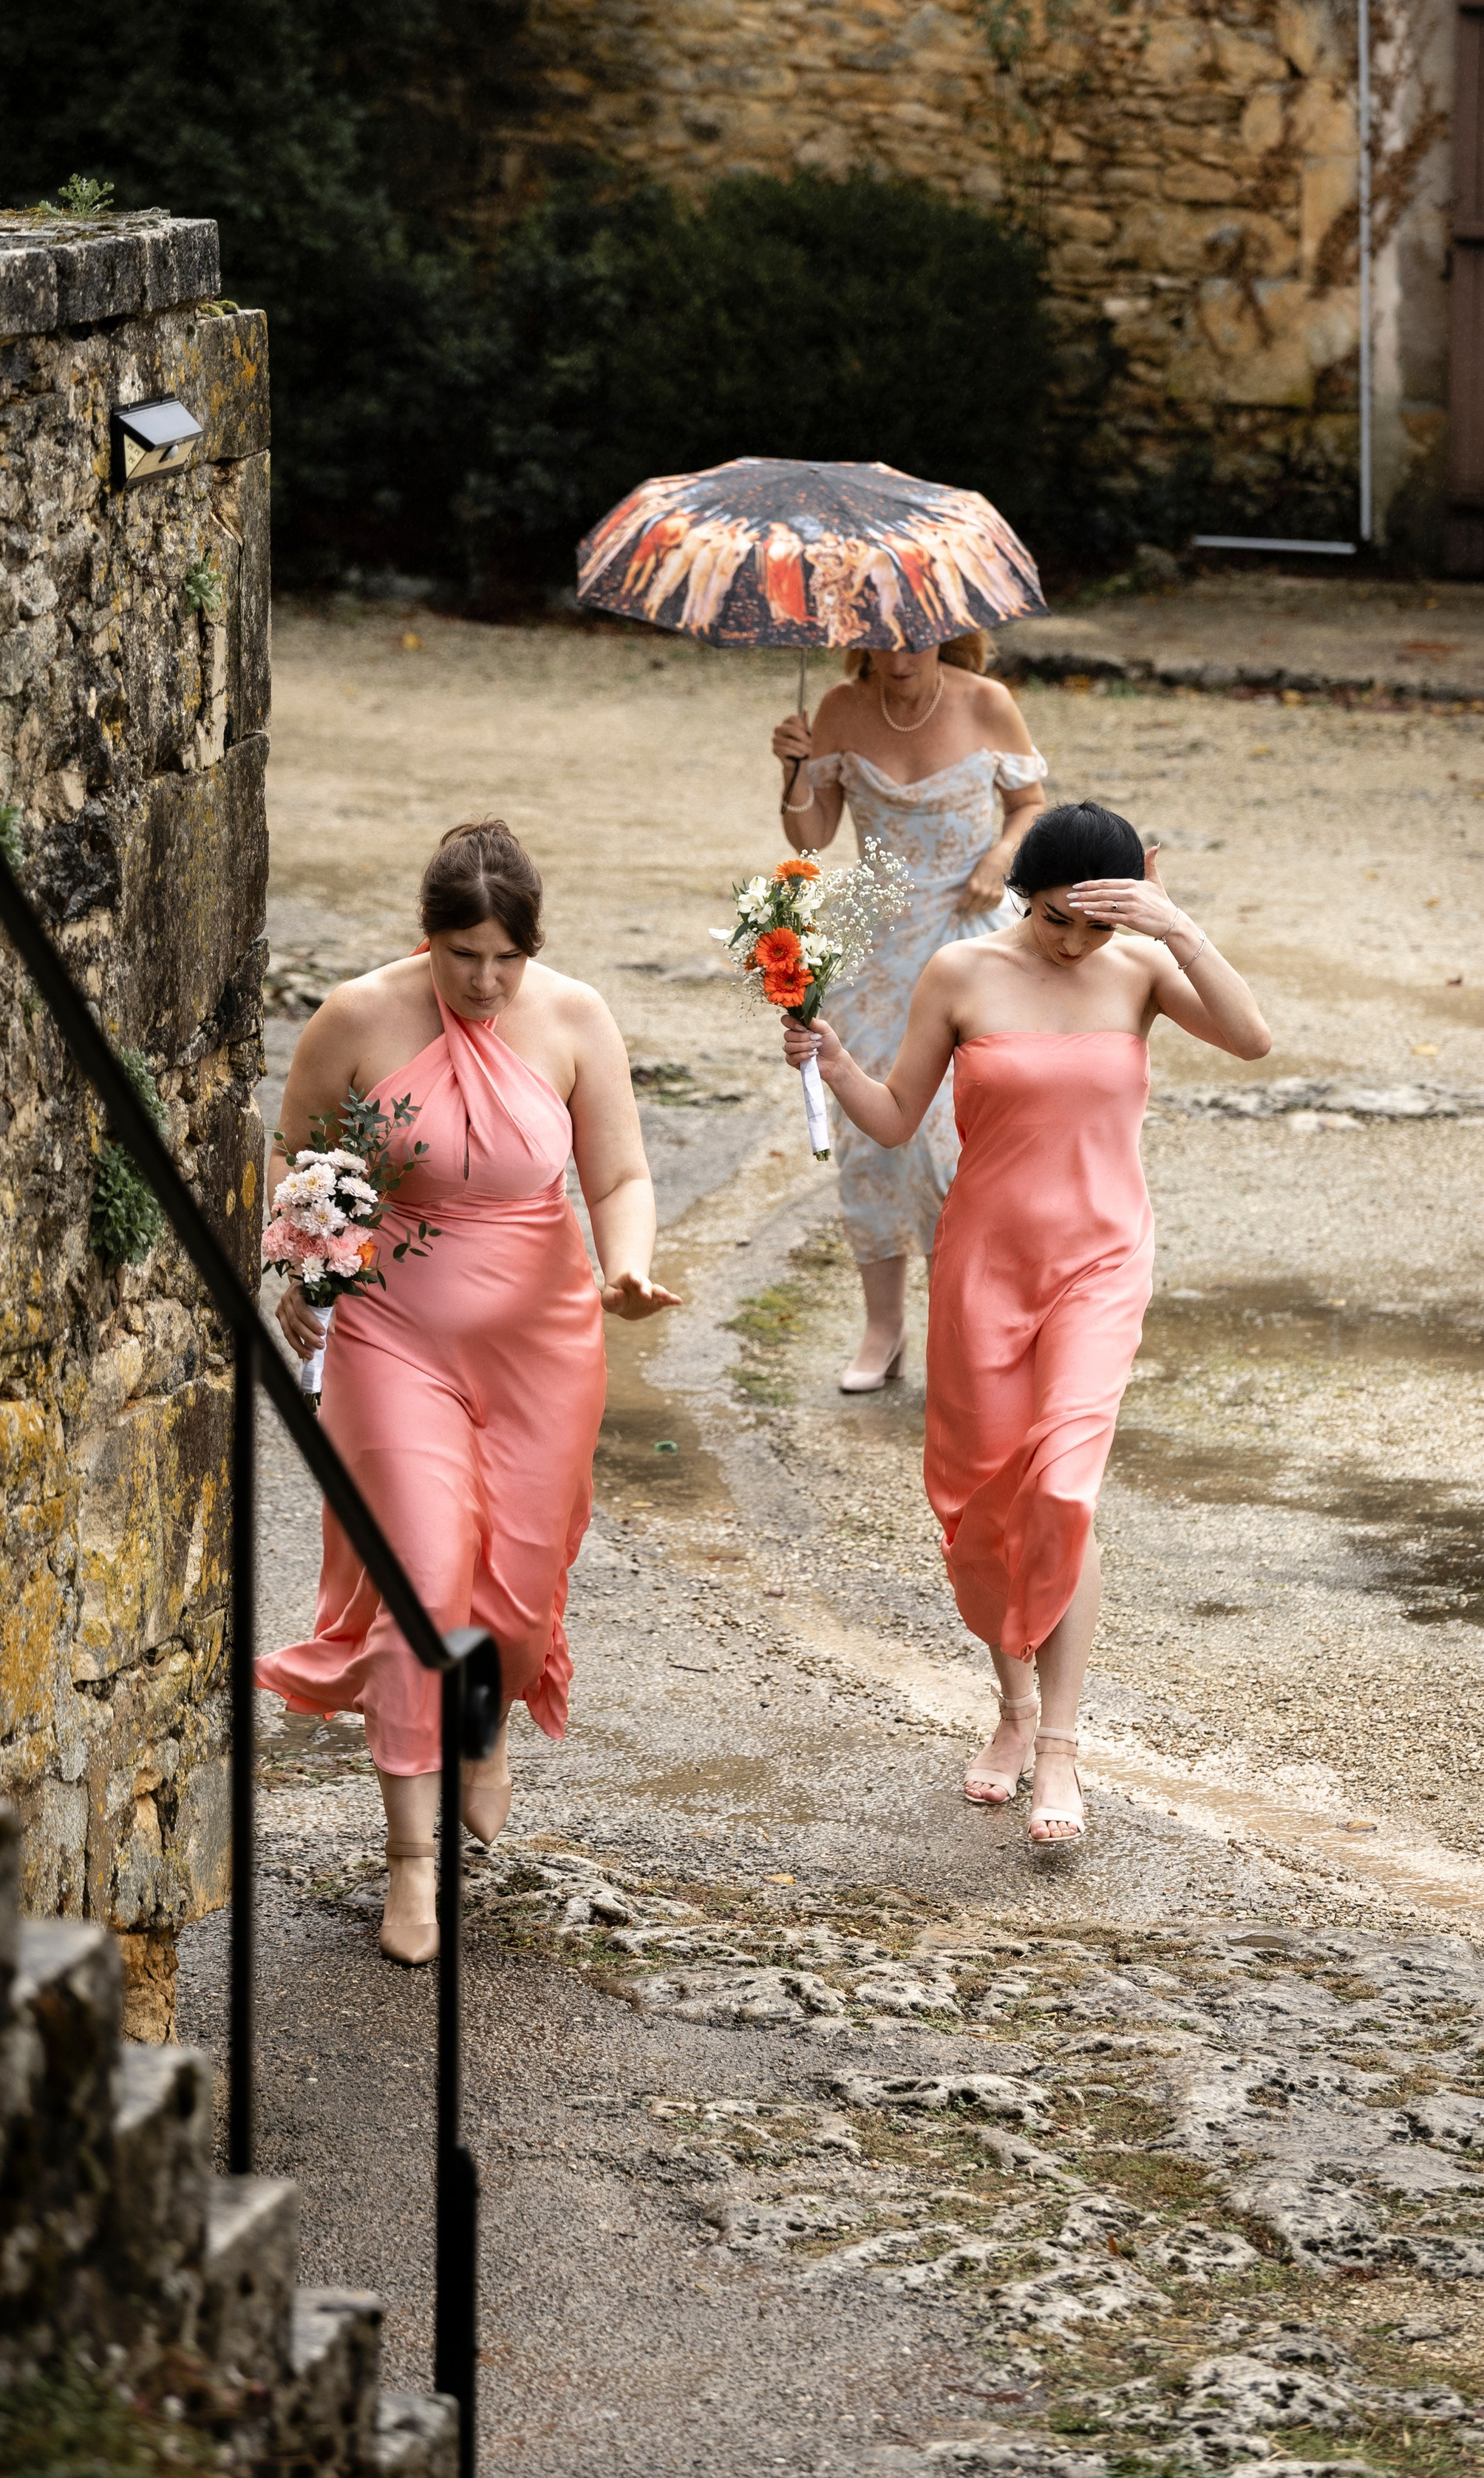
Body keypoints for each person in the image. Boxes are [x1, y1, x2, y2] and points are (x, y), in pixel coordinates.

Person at [781, 803, 1270, 1848]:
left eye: (1099, 924)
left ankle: (1062, 1746)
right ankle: (1009, 1713)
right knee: (989, 1501)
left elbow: (1251, 1037)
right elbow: (897, 1116)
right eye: (1059, 920)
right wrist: (829, 1059)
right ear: (1026, 896)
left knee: (1063, 1487)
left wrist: (1174, 925)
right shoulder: (962, 975)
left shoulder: (1140, 969)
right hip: (983, 1268)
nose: (1077, 943)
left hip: (1099, 1262)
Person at [257, 821, 678, 1964]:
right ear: (426, 939)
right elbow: (296, 1160)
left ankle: (483, 1721)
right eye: (463, 958)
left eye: (507, 959)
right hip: (394, 1340)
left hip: (545, 1345)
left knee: (519, 1587)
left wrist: (628, 1263)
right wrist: (302, 1266)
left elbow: (623, 1172)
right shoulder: (355, 1018)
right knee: (421, 1581)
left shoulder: (577, 1019)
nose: (486, 984)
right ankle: (411, 1869)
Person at [772, 636, 1046, 1390]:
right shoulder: (838, 707)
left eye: (915, 644)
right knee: (872, 1141)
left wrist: (999, 861)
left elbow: (1029, 807)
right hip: (875, 945)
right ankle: (882, 1330)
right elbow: (811, 837)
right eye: (882, 646)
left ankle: (967, 1328)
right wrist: (795, 770)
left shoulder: (985, 702)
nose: (899, 661)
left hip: (969, 931)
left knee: (956, 1142)